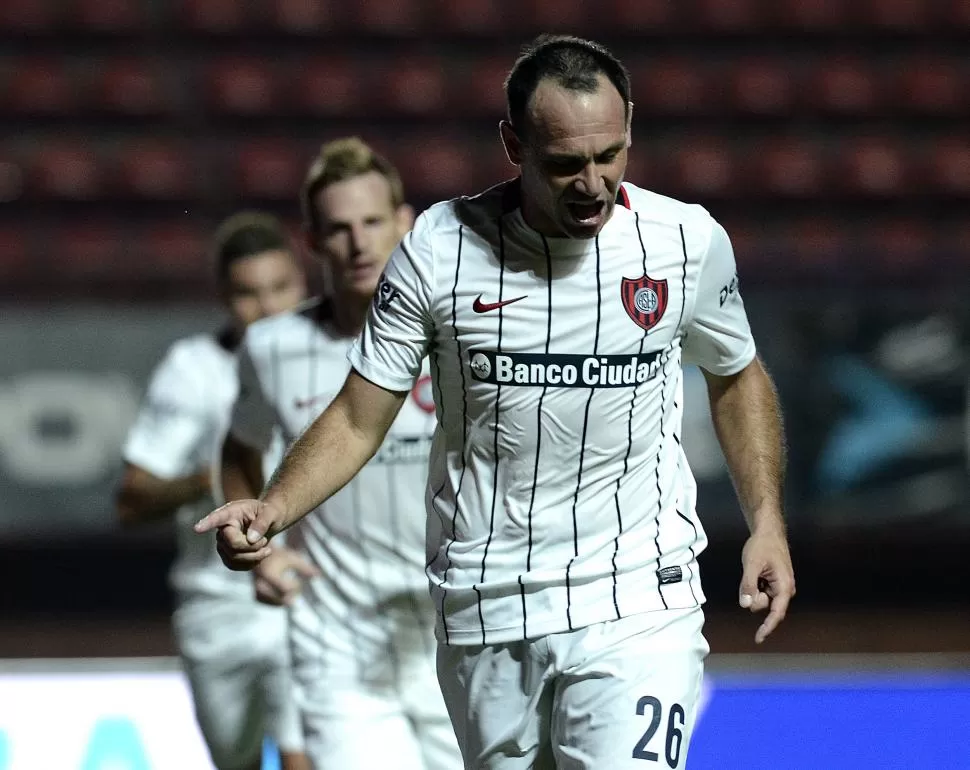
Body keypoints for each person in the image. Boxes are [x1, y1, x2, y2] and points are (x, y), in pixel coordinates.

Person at [198, 35, 797, 769]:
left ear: (630, 127)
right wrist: (274, 507)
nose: (593, 184)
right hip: (488, 601)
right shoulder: (438, 250)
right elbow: (360, 414)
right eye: (566, 164)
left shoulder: (686, 241)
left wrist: (766, 521)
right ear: (513, 144)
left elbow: (737, 373)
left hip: (641, 596)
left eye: (610, 155)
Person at [217, 137, 462, 770]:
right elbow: (238, 451)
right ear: (312, 241)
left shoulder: (464, 334)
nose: (358, 243)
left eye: (373, 222)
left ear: (405, 223)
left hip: (455, 626)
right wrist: (262, 549)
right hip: (338, 638)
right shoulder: (271, 347)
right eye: (339, 228)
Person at [116, 212, 310, 770]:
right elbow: (130, 501)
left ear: (303, 283)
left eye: (281, 288)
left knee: (307, 754)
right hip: (217, 606)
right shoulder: (193, 371)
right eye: (249, 293)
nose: (269, 307)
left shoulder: (338, 361)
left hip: (306, 593)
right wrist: (212, 478)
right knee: (236, 760)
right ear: (224, 296)